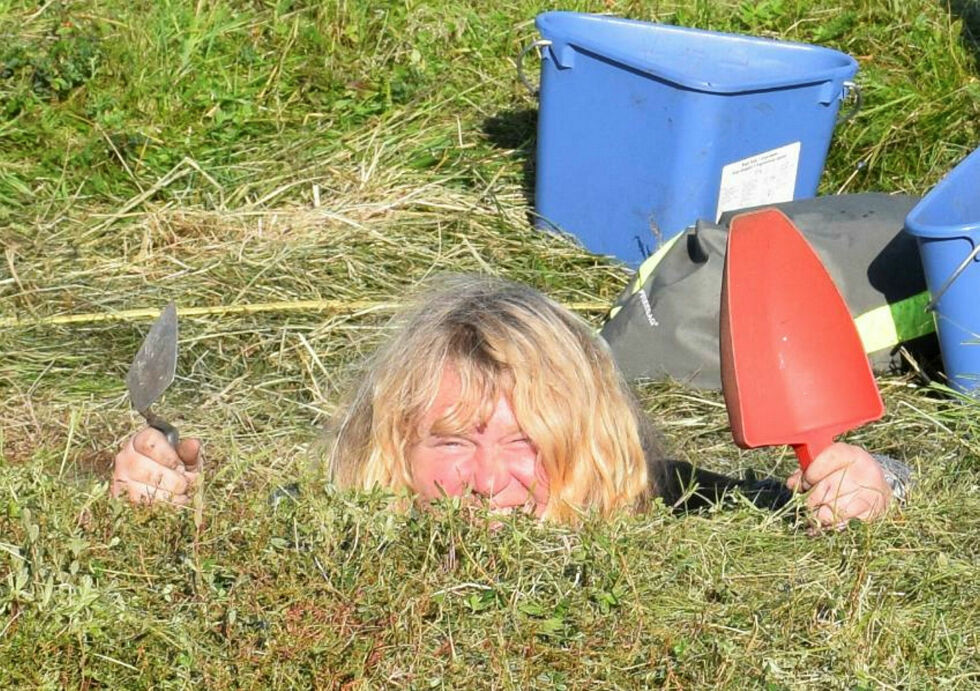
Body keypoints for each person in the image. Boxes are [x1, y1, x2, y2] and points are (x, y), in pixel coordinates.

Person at [112, 275, 909, 526]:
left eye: (527, 441)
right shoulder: (332, 514)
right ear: (393, 446)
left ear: (588, 445)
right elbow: (227, 516)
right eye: (453, 442)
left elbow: (884, 483)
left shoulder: (653, 497)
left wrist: (865, 479)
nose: (490, 480)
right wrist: (156, 494)